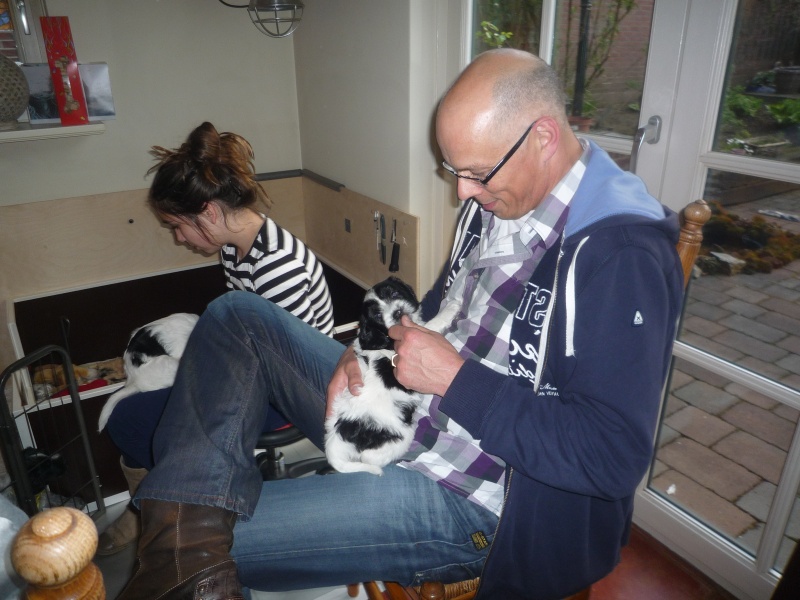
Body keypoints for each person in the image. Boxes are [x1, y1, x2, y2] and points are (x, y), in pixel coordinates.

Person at [118, 49, 685, 600]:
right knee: (237, 316)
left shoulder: (621, 256)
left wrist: (454, 379)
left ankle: (181, 552)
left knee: (206, 550)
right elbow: (440, 306)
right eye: (456, 172)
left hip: (482, 500)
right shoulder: (496, 200)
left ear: (543, 136)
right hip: (402, 410)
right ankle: (187, 531)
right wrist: (362, 350)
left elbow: (611, 458)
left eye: (476, 173)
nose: (463, 192)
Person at [97, 122, 335, 556]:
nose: (178, 237)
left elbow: (289, 370)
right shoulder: (235, 248)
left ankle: (177, 509)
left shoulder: (276, 265)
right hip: (260, 377)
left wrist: (201, 384)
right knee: (133, 414)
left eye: (177, 226)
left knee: (130, 419)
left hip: (294, 397)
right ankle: (156, 503)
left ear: (207, 212)